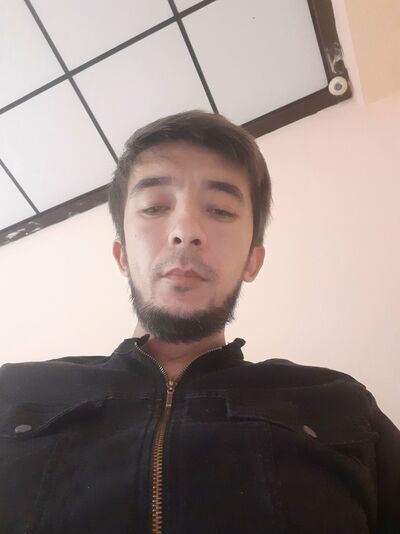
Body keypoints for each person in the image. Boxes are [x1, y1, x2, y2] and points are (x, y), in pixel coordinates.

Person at [0, 110, 399, 534]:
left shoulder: (340, 402)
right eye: (155, 207)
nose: (186, 230)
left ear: (252, 261)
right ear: (122, 256)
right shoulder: (15, 390)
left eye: (220, 210)